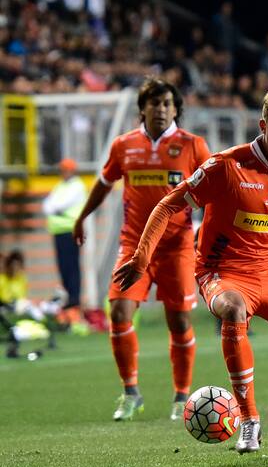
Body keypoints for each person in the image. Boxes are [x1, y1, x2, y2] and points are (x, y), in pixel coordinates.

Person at [113, 85, 268, 455]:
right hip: (222, 271)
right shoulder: (226, 166)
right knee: (233, 309)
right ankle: (249, 420)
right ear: (263, 125)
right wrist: (141, 257)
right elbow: (167, 205)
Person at [73, 78, 211, 422]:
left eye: (167, 104)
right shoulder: (124, 145)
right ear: (142, 108)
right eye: (154, 103)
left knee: (178, 320)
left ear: (176, 110)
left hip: (177, 247)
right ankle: (131, 392)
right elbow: (104, 183)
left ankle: (181, 396)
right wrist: (82, 217)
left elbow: (215, 190)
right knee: (119, 312)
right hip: (133, 246)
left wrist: (208, 232)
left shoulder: (193, 145)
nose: (160, 109)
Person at [42, 157, 86, 327]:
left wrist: (55, 209)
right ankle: (68, 299)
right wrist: (54, 209)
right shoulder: (61, 186)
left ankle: (74, 301)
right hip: (58, 231)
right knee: (63, 268)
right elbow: (47, 206)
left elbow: (57, 206)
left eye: (65, 169)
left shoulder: (77, 186)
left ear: (72, 170)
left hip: (70, 231)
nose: (63, 172)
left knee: (71, 267)